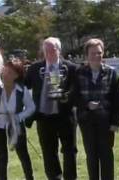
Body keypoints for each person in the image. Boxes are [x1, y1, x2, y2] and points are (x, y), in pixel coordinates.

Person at [24, 37, 78, 180]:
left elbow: (77, 90)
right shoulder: (34, 69)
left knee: (69, 150)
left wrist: (67, 96)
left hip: (65, 116)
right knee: (48, 151)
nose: (48, 52)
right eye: (45, 49)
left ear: (59, 50)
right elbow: (23, 86)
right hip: (44, 117)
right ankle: (55, 177)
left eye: (52, 49)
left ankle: (70, 177)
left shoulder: (71, 68)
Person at [73, 38, 119, 180]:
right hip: (86, 121)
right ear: (86, 55)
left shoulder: (111, 73)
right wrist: (86, 105)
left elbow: (117, 99)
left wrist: (115, 122)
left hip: (106, 122)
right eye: (93, 53)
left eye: (99, 53)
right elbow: (74, 96)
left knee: (106, 155)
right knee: (91, 155)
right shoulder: (79, 73)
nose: (97, 56)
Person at [0, 59, 35, 180]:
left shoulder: (22, 89)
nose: (5, 73)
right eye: (5, 70)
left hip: (16, 125)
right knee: (2, 156)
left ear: (16, 75)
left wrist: (19, 117)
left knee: (23, 154)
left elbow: (31, 108)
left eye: (10, 72)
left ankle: (30, 177)